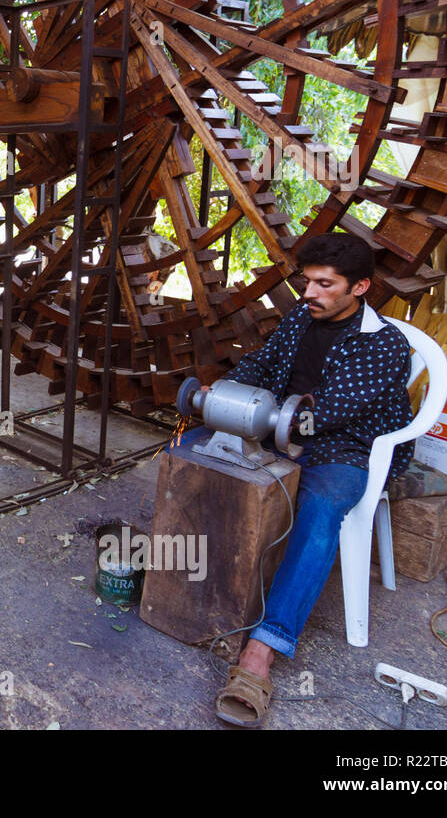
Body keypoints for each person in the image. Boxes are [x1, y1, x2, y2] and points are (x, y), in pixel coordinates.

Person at [175, 232, 413, 726]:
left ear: (360, 288)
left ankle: (262, 650)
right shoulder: (301, 317)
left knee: (321, 510)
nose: (310, 293)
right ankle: (186, 589)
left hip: (345, 450)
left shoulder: (384, 344)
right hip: (279, 431)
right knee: (189, 458)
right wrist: (225, 397)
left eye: (326, 285)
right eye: (308, 281)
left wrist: (257, 425)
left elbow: (327, 412)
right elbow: (262, 366)